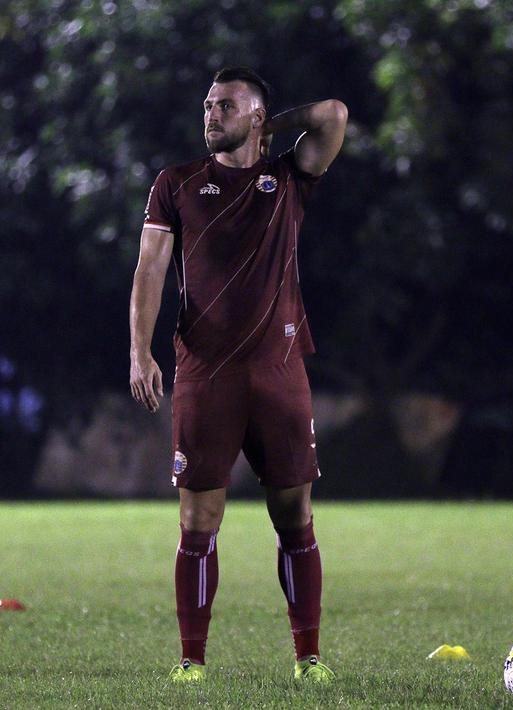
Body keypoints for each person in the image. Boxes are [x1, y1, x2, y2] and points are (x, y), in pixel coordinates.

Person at [128, 66, 348, 683]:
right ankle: (191, 663)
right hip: (204, 371)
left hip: (279, 371)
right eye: (206, 105)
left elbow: (332, 112)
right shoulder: (176, 184)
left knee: (294, 516)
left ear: (254, 115)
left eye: (225, 106)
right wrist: (139, 351)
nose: (209, 115)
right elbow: (149, 267)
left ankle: (309, 658)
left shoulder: (286, 177)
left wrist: (267, 127)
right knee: (198, 521)